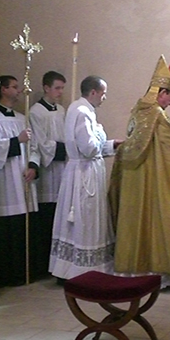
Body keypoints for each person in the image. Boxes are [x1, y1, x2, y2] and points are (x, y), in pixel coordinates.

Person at [109, 55, 170, 287]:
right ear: (161, 92)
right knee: (158, 216)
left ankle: (133, 267)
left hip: (133, 177)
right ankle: (156, 268)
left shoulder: (137, 110)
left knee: (135, 219)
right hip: (151, 176)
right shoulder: (157, 113)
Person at [49, 76, 123, 280]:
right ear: (93, 92)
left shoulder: (78, 108)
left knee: (76, 222)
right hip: (85, 173)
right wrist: (102, 139)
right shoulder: (83, 112)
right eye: (103, 93)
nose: (104, 98)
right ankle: (83, 271)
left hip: (79, 170)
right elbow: (89, 148)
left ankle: (67, 268)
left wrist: (111, 145)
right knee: (85, 220)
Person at [0, 75, 40, 286]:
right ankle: (8, 275)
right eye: (15, 87)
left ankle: (26, 272)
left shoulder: (22, 118)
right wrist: (17, 140)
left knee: (24, 229)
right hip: (5, 182)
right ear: (3, 90)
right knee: (8, 230)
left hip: (24, 179)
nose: (19, 90)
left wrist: (33, 166)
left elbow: (35, 147)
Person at [29, 71, 67, 277]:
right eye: (57, 88)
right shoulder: (36, 112)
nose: (60, 92)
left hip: (62, 169)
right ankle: (44, 264)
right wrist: (64, 148)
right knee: (47, 216)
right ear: (46, 88)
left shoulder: (61, 110)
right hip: (48, 169)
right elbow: (40, 143)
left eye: (62, 88)